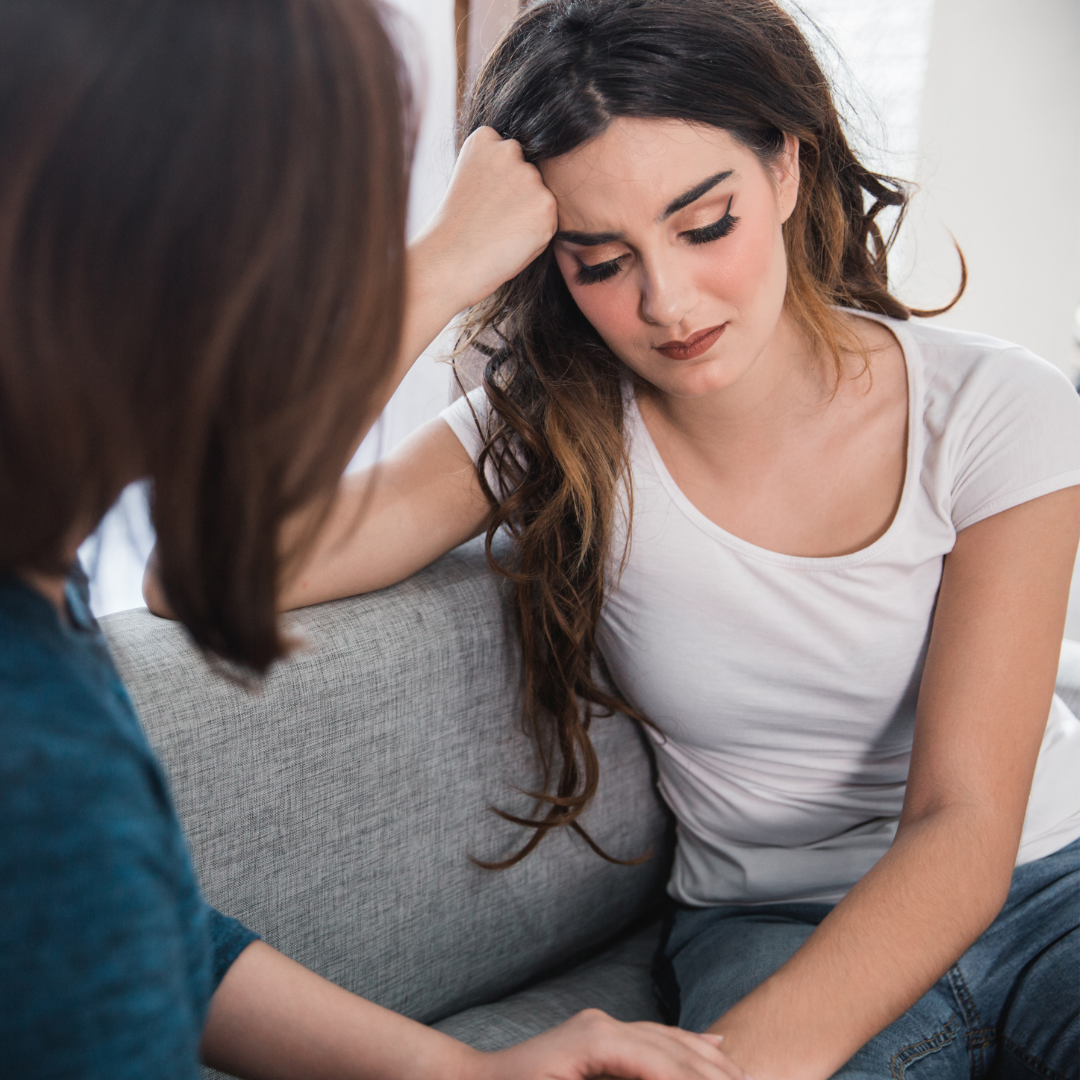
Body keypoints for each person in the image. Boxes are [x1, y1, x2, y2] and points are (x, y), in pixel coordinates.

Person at [244, 0, 1080, 1078]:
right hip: (770, 925)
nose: (669, 302)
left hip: (1044, 885)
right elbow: (210, 570)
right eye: (601, 261)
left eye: (704, 224)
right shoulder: (549, 429)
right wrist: (441, 266)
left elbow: (965, 829)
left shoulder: (996, 408)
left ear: (785, 167)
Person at [0, 1, 749, 1078]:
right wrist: (442, 269)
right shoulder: (36, 762)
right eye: (329, 259)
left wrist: (467, 1072)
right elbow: (220, 567)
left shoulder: (43, 588)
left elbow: (161, 934)